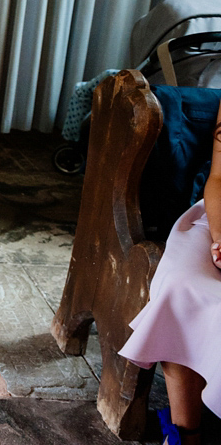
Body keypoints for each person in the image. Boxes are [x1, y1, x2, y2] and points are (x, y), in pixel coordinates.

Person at [119, 101, 221, 445]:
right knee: (180, 286)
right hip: (217, 218)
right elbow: (219, 178)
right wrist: (220, 237)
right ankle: (184, 435)